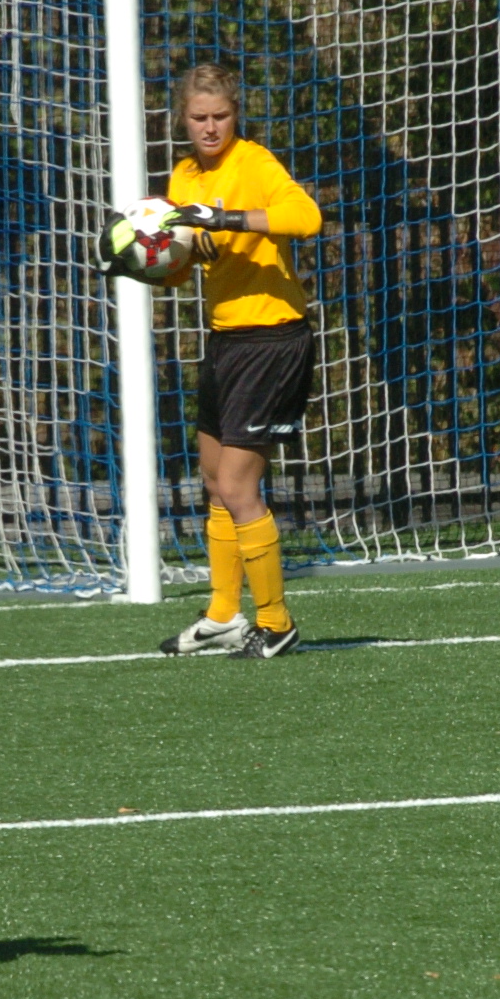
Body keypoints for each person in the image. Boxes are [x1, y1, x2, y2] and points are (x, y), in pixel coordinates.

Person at [148, 63, 323, 659]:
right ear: (182, 119)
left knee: (238, 485)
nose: (210, 127)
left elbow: (307, 218)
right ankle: (223, 615)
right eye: (199, 117)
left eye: (220, 116)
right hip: (225, 339)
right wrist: (143, 260)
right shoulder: (183, 176)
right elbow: (180, 268)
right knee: (213, 481)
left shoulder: (255, 163)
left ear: (235, 115)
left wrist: (225, 219)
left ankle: (275, 622)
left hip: (274, 339)